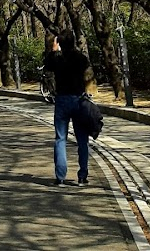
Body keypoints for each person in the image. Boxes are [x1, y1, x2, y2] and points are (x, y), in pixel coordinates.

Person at [44, 30, 92, 186]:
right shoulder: (80, 58)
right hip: (78, 100)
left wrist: (53, 51)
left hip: (62, 100)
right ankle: (82, 176)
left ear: (60, 43)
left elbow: (48, 66)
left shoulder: (57, 59)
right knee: (82, 140)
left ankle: (60, 177)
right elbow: (86, 66)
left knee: (60, 139)